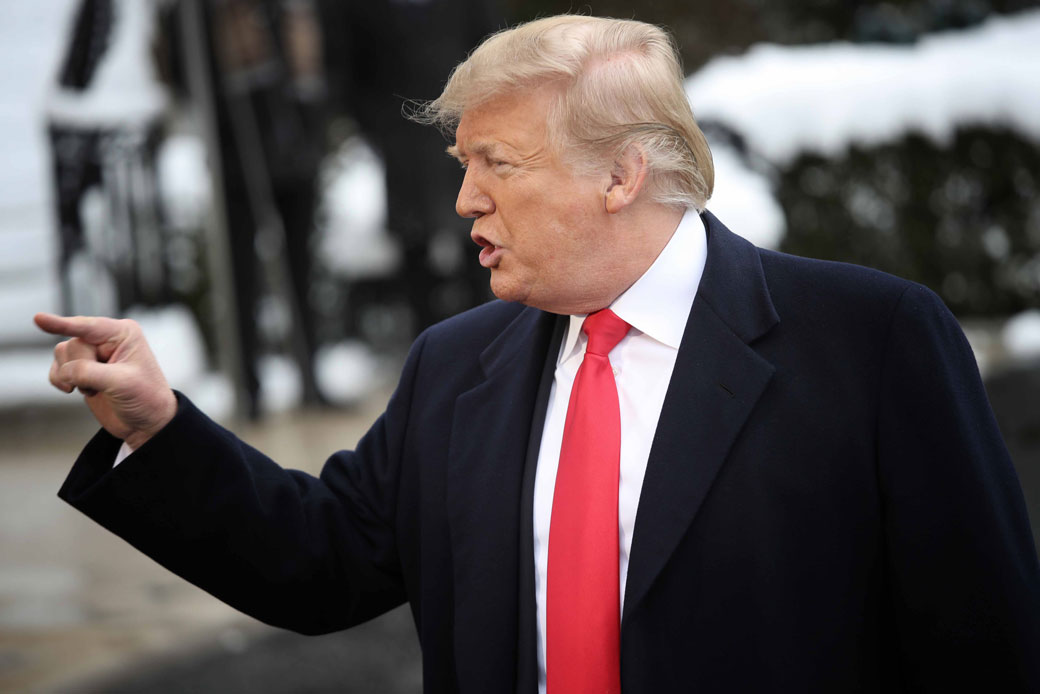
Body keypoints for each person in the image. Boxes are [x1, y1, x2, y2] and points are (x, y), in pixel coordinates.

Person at [36, 15, 1040, 693]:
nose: (464, 198)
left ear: (620, 175)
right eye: (462, 163)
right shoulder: (452, 365)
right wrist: (158, 429)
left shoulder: (871, 341)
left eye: (497, 164)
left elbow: (982, 645)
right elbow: (322, 559)